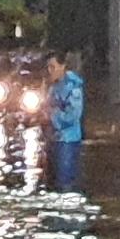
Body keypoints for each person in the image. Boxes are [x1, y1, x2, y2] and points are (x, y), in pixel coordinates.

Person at [45, 51, 85, 192]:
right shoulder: (53, 87)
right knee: (53, 183)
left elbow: (73, 115)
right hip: (53, 140)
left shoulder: (73, 88)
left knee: (64, 184)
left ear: (63, 66)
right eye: (48, 67)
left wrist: (51, 115)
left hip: (67, 141)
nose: (50, 71)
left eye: (53, 67)